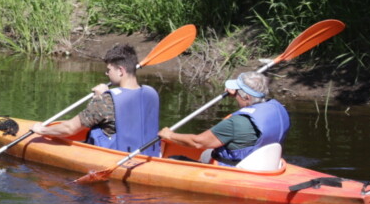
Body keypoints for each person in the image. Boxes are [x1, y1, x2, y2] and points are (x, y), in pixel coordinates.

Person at [33, 44, 162, 156]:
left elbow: (70, 128)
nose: (107, 74)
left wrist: (41, 130)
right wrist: (104, 95)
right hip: (147, 154)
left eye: (109, 70)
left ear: (121, 71)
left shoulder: (107, 100)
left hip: (115, 157)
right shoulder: (151, 93)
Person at [158, 69, 290, 166]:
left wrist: (169, 135)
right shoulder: (277, 110)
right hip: (266, 163)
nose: (235, 95)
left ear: (247, 97)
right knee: (206, 153)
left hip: (234, 169)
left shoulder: (237, 122)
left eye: (237, 92)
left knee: (173, 159)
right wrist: (238, 93)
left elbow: (198, 142)